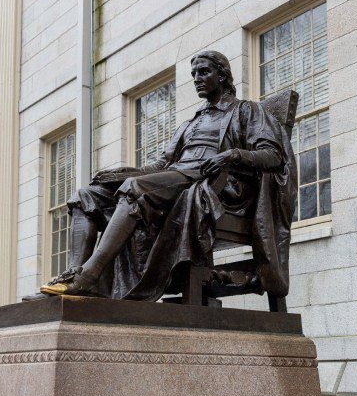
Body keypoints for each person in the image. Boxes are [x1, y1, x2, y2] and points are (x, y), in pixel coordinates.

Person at [38, 50, 297, 302]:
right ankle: (72, 277)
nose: (197, 78)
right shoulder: (190, 123)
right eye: (194, 73)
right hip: (177, 177)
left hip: (214, 185)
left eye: (204, 72)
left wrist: (232, 155)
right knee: (86, 195)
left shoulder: (245, 110)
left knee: (134, 189)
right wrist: (126, 172)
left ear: (222, 76)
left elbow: (274, 156)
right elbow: (162, 164)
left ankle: (91, 275)